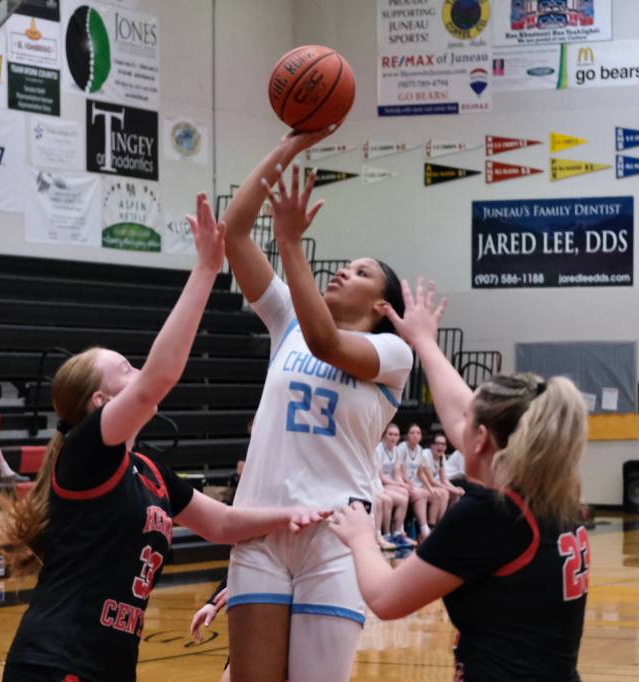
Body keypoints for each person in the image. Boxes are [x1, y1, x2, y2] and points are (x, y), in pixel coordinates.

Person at [0, 193, 329, 682]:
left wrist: (292, 515)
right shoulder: (85, 455)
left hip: (107, 665)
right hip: (54, 661)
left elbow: (224, 525)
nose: (138, 370)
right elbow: (158, 380)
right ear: (100, 405)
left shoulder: (147, 469)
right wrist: (206, 268)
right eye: (125, 367)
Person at [328, 278, 591, 682]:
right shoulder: (552, 494)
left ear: (483, 439)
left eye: (469, 420)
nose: (457, 423)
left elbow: (385, 598)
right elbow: (462, 416)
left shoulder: (487, 517)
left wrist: (362, 537)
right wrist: (425, 343)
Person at [222, 134, 412, 682]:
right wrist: (290, 143)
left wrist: (290, 244)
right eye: (345, 265)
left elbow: (328, 343)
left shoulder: (392, 354)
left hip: (335, 534)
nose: (345, 272)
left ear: (381, 305)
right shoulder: (287, 324)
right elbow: (234, 232)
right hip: (260, 526)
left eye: (361, 272)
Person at [375, 423, 415, 547]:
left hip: (389, 482)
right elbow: (381, 477)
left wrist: (403, 485)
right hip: (380, 483)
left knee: (404, 497)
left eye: (396, 435)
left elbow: (396, 473)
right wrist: (400, 485)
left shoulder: (397, 450)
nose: (393, 437)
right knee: (389, 500)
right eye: (390, 434)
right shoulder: (378, 449)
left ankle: (398, 532)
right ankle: (387, 534)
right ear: (384, 436)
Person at [398, 422, 438, 539]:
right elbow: (399, 470)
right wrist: (408, 483)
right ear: (407, 436)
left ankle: (435, 527)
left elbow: (420, 473)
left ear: (421, 436)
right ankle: (424, 529)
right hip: (404, 484)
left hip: (417, 485)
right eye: (412, 433)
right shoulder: (402, 447)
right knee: (421, 494)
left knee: (439, 495)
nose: (415, 435)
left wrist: (430, 488)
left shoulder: (420, 449)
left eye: (418, 433)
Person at [427, 432, 464, 508]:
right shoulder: (426, 455)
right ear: (432, 445)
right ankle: (434, 520)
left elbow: (444, 480)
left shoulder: (442, 456)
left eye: (443, 444)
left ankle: (449, 517)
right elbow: (431, 481)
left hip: (441, 482)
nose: (440, 446)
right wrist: (453, 489)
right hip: (425, 484)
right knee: (444, 493)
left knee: (456, 493)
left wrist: (454, 489)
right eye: (437, 443)